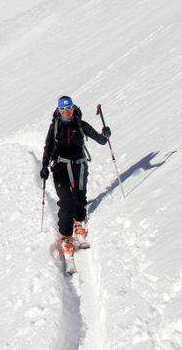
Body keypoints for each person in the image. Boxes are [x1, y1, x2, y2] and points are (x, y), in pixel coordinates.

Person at [40, 95, 111, 256]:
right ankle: (66, 236)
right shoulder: (55, 126)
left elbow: (100, 140)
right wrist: (44, 166)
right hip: (60, 166)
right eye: (63, 109)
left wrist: (106, 134)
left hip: (80, 163)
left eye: (69, 108)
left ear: (73, 108)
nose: (66, 112)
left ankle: (78, 221)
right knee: (66, 201)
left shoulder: (80, 124)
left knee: (79, 196)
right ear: (59, 110)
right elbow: (48, 146)